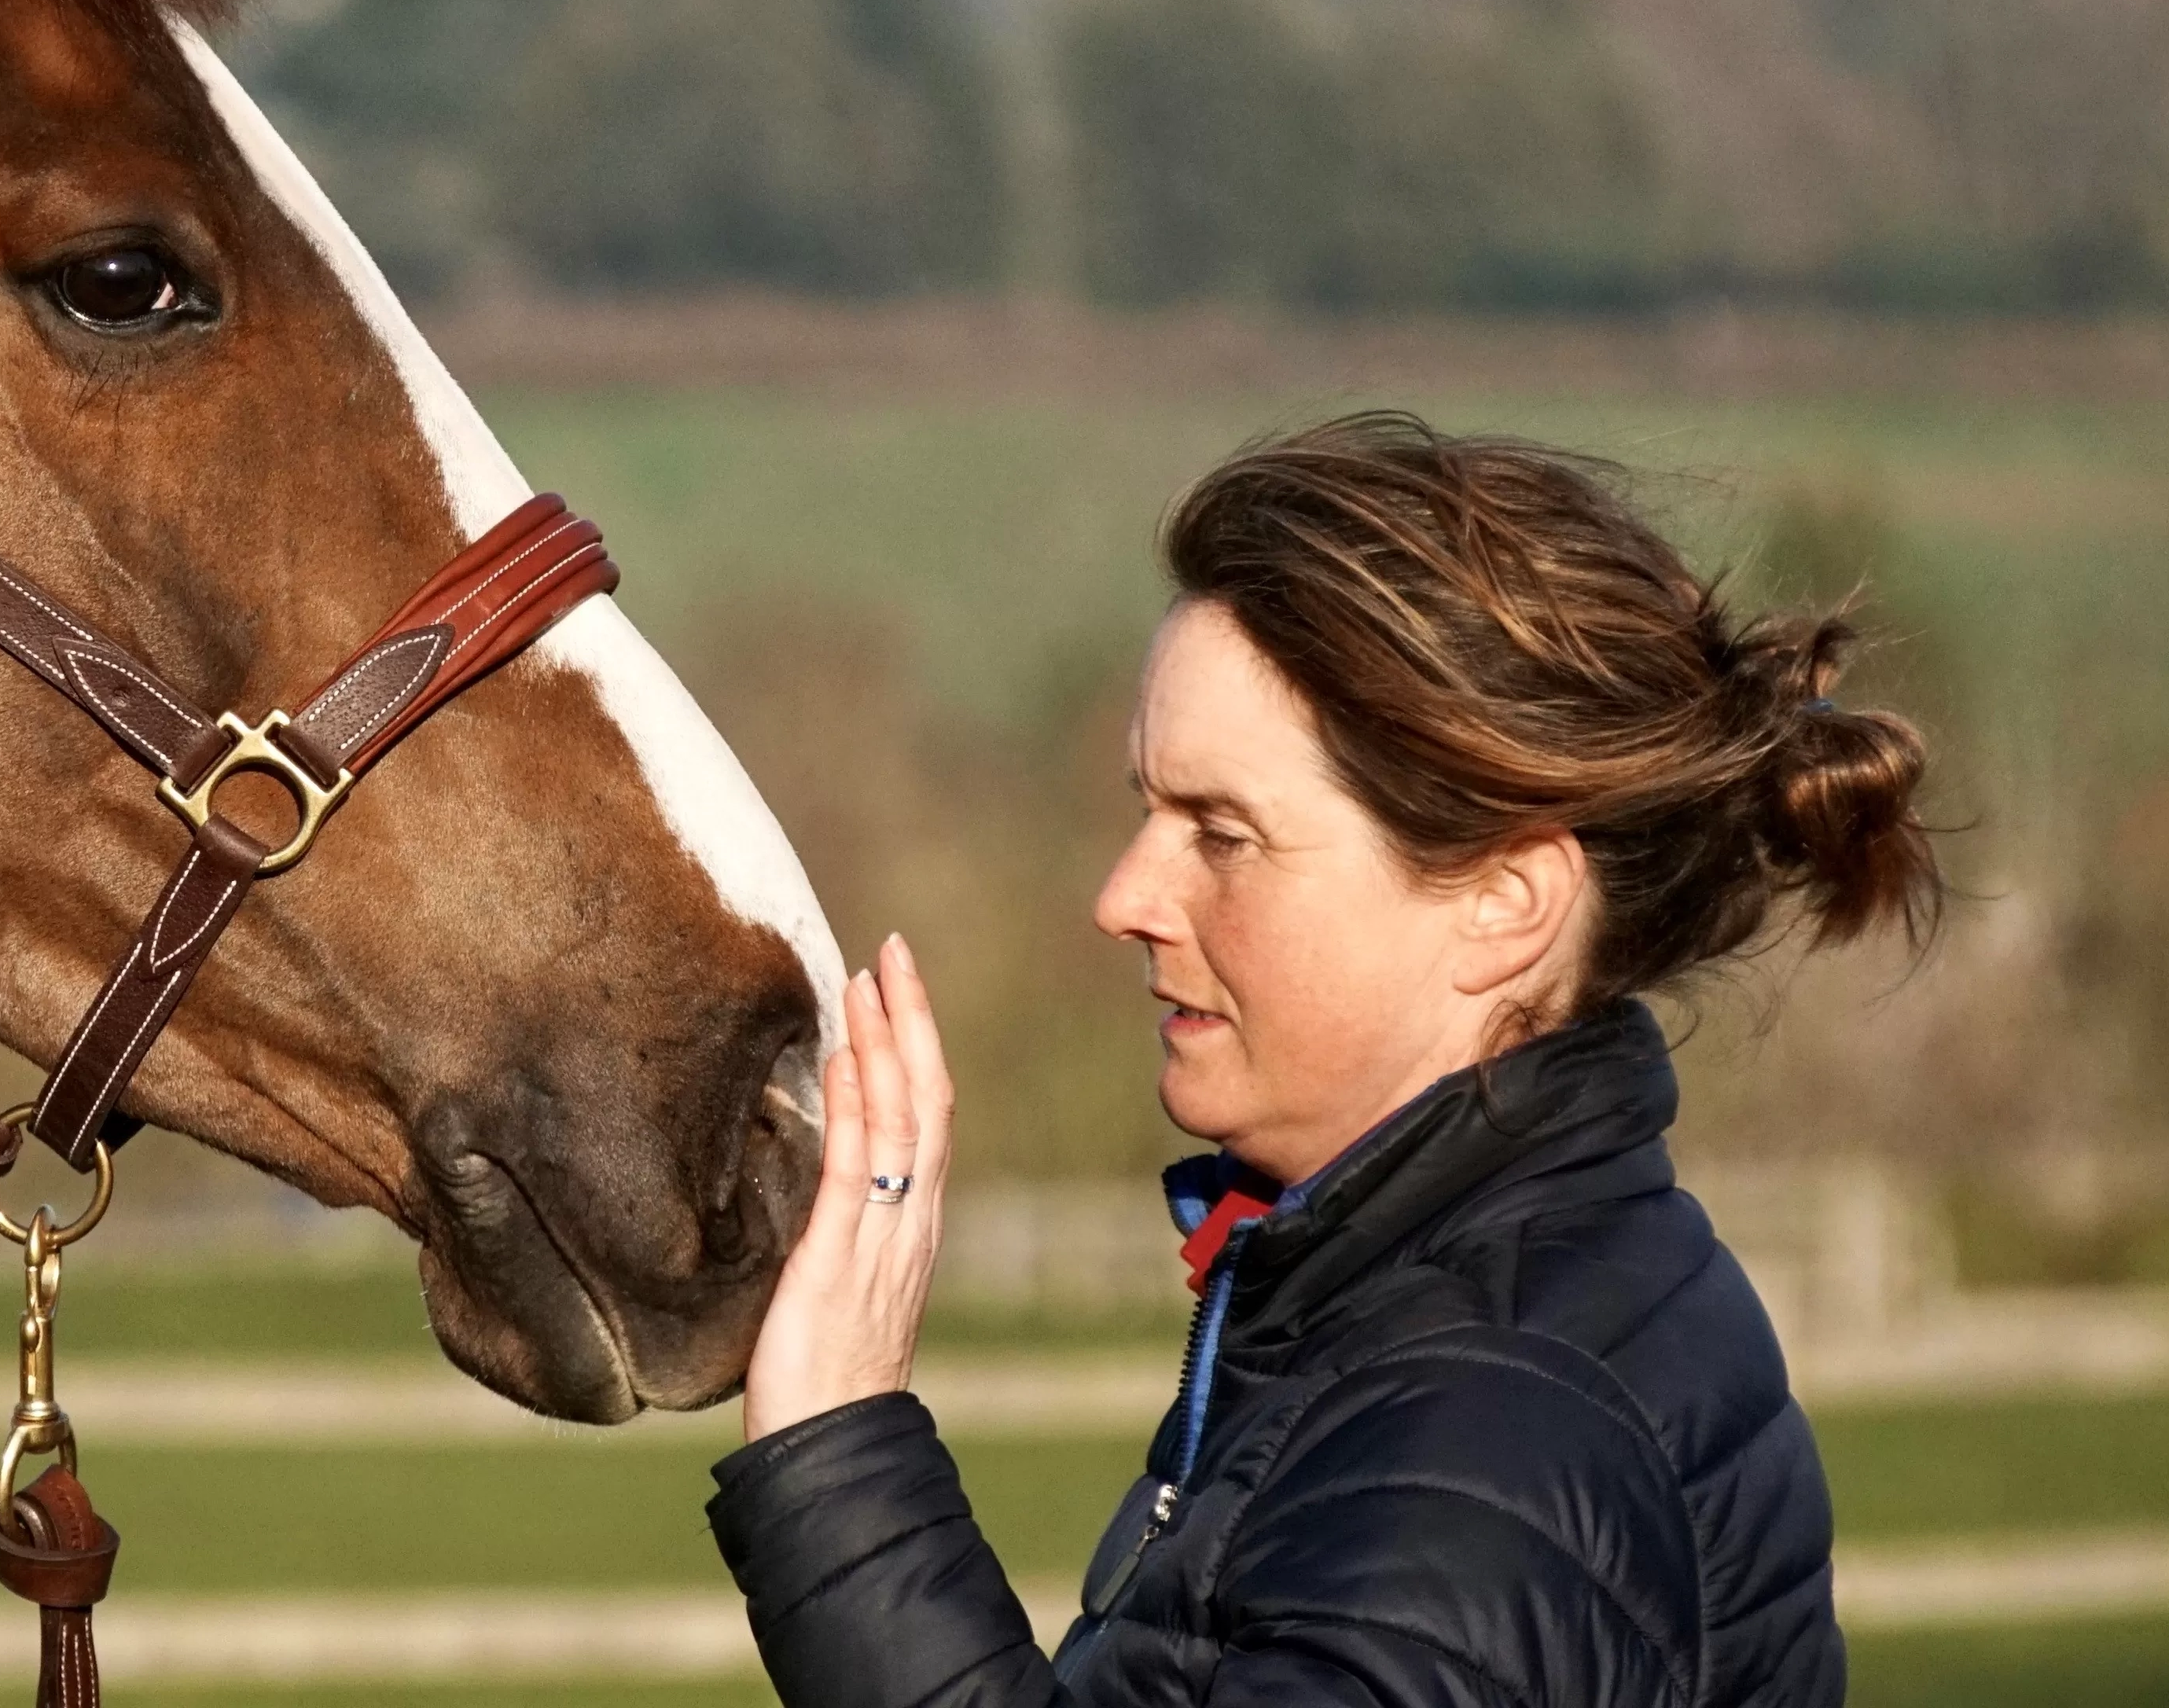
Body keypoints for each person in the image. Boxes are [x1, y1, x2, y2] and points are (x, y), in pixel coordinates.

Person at [711, 413, 1941, 1707]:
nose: (1124, 895)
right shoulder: (1447, 1317)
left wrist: (837, 1459)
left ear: (1504, 904)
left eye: (1222, 833)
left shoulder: (1490, 1450)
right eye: (1147, 811)